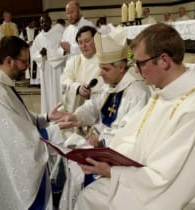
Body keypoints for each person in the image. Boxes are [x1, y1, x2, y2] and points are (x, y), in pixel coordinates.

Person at [74, 23, 195, 210]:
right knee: (89, 196)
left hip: (175, 195)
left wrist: (114, 172)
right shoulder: (163, 93)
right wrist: (105, 154)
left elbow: (172, 178)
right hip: (146, 180)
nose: (136, 71)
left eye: (140, 63)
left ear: (163, 60)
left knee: (90, 199)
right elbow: (135, 137)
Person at [0, 36, 75, 210]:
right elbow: (19, 142)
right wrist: (55, 130)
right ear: (9, 61)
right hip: (0, 166)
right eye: (24, 62)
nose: (27, 67)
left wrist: (46, 117)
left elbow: (17, 119)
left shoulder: (1, 85)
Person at [59, 26, 151, 210]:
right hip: (101, 145)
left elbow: (129, 134)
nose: (100, 73)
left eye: (105, 69)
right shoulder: (112, 83)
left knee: (81, 176)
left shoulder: (137, 92)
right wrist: (76, 116)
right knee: (73, 163)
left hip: (118, 156)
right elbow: (94, 107)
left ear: (122, 68)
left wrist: (101, 142)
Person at [60, 25, 101, 115]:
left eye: (87, 41)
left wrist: (91, 94)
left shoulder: (104, 61)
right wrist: (78, 88)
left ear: (96, 40)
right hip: (76, 111)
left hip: (97, 110)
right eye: (80, 42)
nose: (83, 45)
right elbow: (64, 80)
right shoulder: (73, 61)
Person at [31, 14, 65, 114]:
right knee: (47, 94)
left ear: (50, 22)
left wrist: (49, 53)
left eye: (45, 21)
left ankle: (60, 113)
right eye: (41, 22)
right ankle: (49, 114)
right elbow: (33, 53)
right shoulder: (38, 38)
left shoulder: (59, 34)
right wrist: (40, 55)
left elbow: (64, 51)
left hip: (57, 69)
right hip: (45, 69)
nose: (43, 24)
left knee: (57, 91)